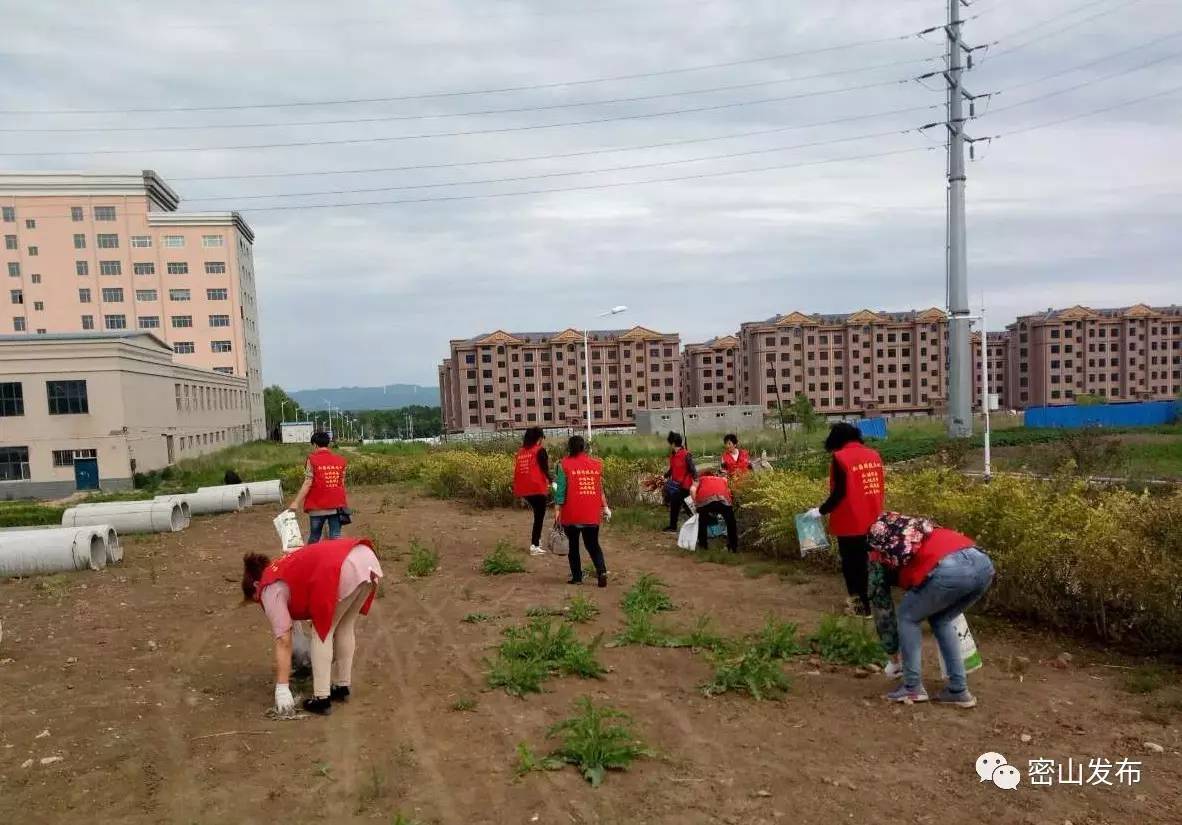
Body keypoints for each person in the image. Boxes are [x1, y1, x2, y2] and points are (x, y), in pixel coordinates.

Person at [242, 537, 383, 715]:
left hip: (342, 566)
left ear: (256, 585)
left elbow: (284, 640)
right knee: (345, 626)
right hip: (365, 557)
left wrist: (282, 687)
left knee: (323, 630)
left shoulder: (268, 587)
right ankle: (342, 686)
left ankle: (322, 698)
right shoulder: (283, 566)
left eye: (256, 600)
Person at [867, 512, 995, 708]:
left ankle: (912, 687)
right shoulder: (919, 529)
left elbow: (881, 608)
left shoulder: (878, 554)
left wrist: (893, 654)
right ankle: (958, 690)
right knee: (941, 619)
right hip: (982, 564)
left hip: (948, 570)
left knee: (907, 617)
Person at [806, 422, 884, 618]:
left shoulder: (840, 458)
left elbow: (840, 492)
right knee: (865, 563)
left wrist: (820, 511)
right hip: (872, 518)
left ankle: (860, 607)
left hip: (850, 521)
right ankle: (868, 604)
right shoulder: (873, 455)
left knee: (851, 565)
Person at [554, 435, 611, 587]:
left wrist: (557, 510)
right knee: (593, 545)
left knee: (573, 546)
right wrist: (605, 507)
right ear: (583, 447)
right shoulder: (596, 464)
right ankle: (602, 571)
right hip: (591, 512)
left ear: (569, 447)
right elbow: (599, 489)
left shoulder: (563, 464)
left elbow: (560, 490)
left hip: (572, 512)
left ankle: (577, 577)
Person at [289, 431, 349, 544]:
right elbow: (341, 483)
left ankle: (311, 560)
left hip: (317, 506)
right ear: (328, 444)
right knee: (336, 538)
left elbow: (308, 482)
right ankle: (335, 560)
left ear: (315, 445)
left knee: (315, 537)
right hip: (336, 505)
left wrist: (296, 502)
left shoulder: (312, 460)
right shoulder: (341, 460)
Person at [513, 427, 552, 557]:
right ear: (539, 438)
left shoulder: (521, 452)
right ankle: (534, 545)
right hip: (537, 488)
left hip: (524, 489)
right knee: (539, 517)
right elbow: (545, 470)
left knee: (538, 515)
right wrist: (554, 482)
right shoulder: (540, 451)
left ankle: (537, 540)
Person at [690, 470, 738, 552]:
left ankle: (703, 546)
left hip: (705, 500)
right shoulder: (722, 479)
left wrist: (696, 503)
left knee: (702, 521)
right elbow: (729, 492)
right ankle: (733, 547)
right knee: (731, 523)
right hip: (723, 499)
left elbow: (692, 490)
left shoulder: (700, 479)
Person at [663, 431, 698, 533]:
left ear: (673, 443)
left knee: (689, 507)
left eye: (670, 443)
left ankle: (700, 524)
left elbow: (693, 470)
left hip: (685, 486)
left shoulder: (686, 455)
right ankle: (673, 526)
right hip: (676, 486)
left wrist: (695, 483)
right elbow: (672, 469)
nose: (670, 446)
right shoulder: (673, 455)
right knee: (676, 505)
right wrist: (664, 476)